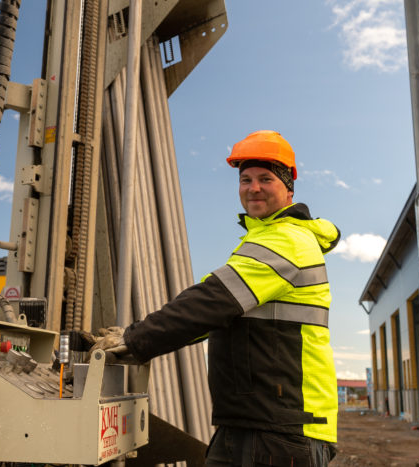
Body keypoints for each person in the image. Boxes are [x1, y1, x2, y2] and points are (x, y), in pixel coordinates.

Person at [101, 130, 340, 467]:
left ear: (289, 188)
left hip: (282, 429)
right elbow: (213, 313)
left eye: (265, 179)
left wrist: (136, 338)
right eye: (245, 179)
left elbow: (212, 301)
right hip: (251, 422)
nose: (253, 187)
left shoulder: (288, 241)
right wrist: (133, 339)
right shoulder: (263, 240)